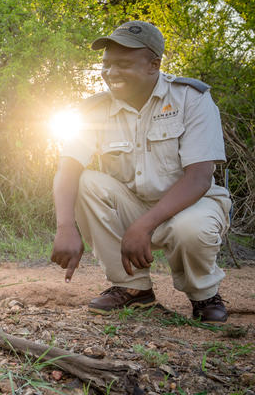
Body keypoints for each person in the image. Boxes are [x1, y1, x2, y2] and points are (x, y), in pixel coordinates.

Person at [50, 21, 231, 323]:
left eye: (123, 64)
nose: (111, 73)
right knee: (86, 182)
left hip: (191, 205)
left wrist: (143, 226)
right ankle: (133, 289)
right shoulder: (93, 110)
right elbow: (67, 169)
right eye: (106, 65)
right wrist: (65, 226)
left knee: (191, 228)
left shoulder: (191, 98)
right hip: (133, 204)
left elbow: (199, 176)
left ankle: (204, 295)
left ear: (153, 65)